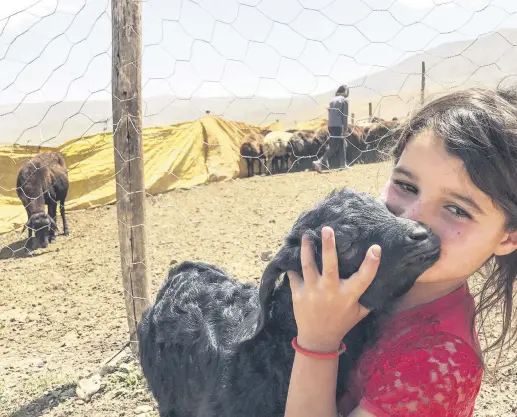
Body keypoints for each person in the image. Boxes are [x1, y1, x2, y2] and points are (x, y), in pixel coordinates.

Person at [284, 86, 517, 416]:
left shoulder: (434, 367)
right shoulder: (374, 278)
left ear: (507, 238)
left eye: (458, 209)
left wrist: (318, 342)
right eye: (406, 186)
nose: (411, 220)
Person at [313, 85, 350, 172]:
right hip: (338, 126)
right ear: (346, 92)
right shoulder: (344, 100)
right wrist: (345, 129)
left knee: (342, 143)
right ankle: (320, 161)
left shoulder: (332, 100)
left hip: (331, 126)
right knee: (334, 147)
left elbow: (330, 114)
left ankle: (343, 164)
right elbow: (344, 116)